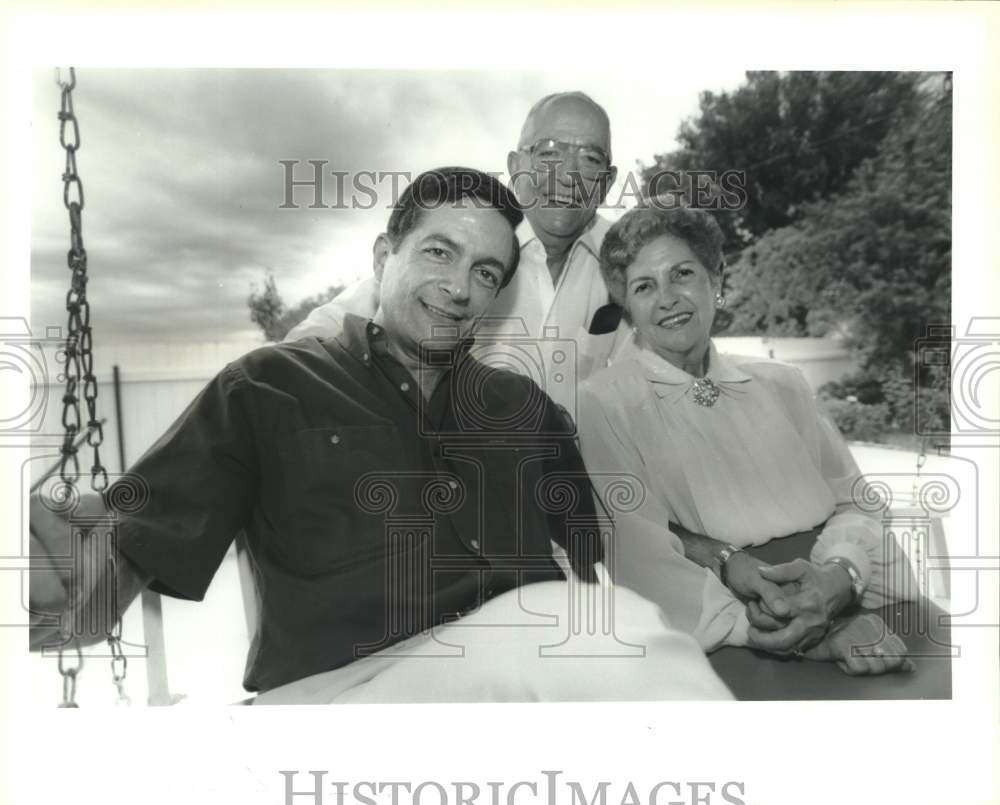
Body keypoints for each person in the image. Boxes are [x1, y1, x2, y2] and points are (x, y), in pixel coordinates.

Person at [29, 168, 732, 702]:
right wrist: (66, 588)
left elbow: (615, 540)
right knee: (569, 628)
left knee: (601, 623)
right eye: (438, 252)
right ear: (383, 254)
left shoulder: (523, 406)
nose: (459, 286)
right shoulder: (266, 387)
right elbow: (115, 566)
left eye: (484, 272)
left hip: (517, 687)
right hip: (340, 694)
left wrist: (721, 557)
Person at [577, 203, 918, 676]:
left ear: (716, 280)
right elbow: (639, 555)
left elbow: (857, 501)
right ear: (628, 309)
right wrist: (788, 629)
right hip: (737, 637)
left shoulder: (785, 383)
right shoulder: (604, 402)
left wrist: (841, 575)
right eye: (644, 286)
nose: (668, 298)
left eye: (682, 274)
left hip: (862, 601)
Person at [286, 92, 630, 412]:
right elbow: (323, 338)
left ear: (608, 182)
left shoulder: (625, 260)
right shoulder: (471, 242)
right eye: (549, 153)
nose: (568, 175)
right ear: (515, 165)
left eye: (590, 159)